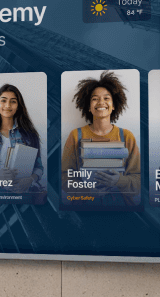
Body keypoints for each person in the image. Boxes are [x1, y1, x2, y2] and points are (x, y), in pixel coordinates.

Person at [60, 72, 141, 206]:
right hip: (86, 209)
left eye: (106, 98)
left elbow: (138, 183)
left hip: (122, 210)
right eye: (95, 99)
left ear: (114, 105)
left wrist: (118, 181)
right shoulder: (75, 135)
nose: (101, 102)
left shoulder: (127, 137)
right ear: (89, 107)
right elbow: (65, 178)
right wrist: (89, 191)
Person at [0, 83, 46, 203]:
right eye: (3, 100)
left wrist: (30, 179)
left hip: (23, 195)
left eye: (13, 101)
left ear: (18, 106)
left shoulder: (29, 134)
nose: (7, 105)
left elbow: (39, 167)